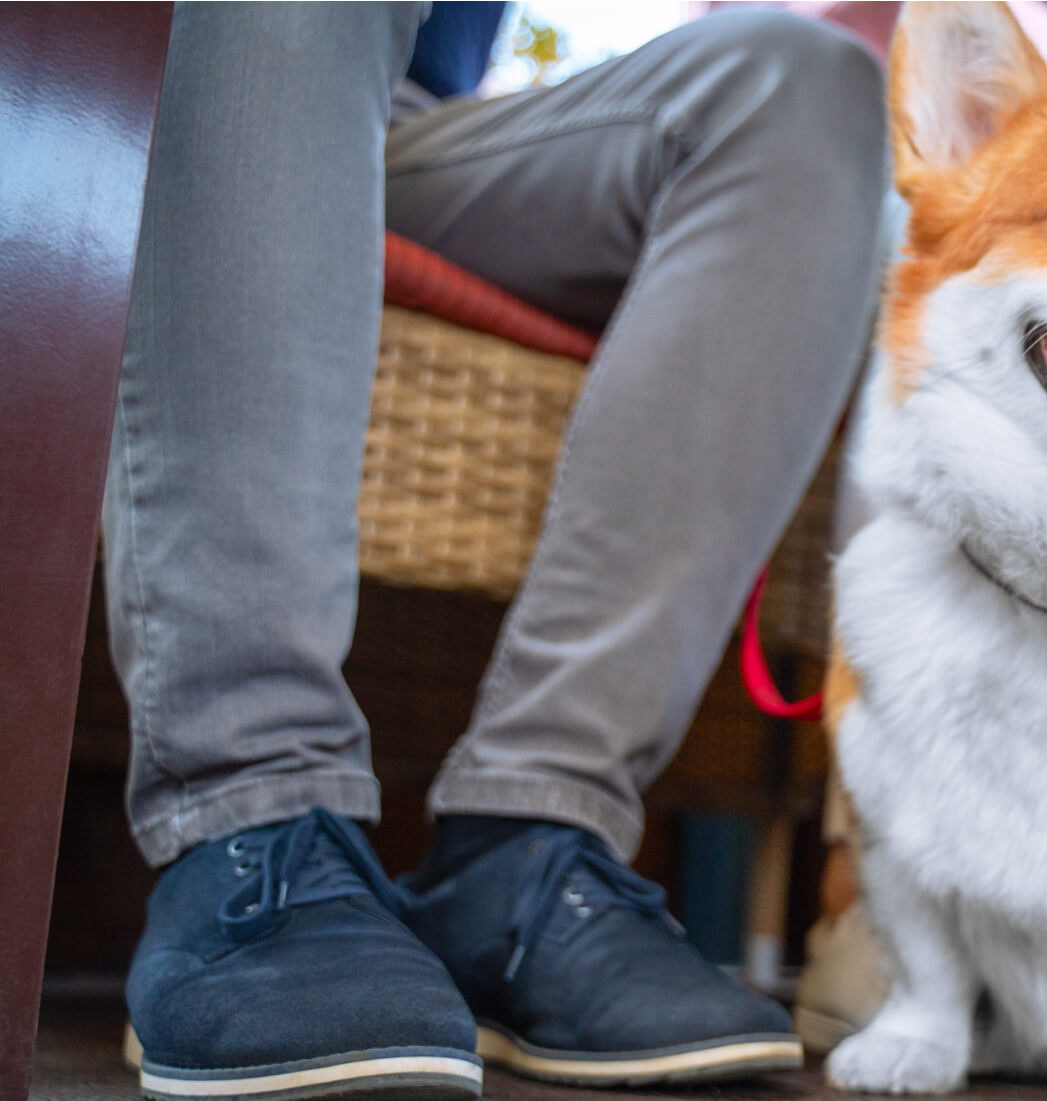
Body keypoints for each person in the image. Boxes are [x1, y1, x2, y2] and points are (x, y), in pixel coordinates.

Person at [109, 4, 886, 1096]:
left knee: (807, 82)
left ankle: (523, 849)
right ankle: (246, 816)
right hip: (160, 64)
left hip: (408, 127)